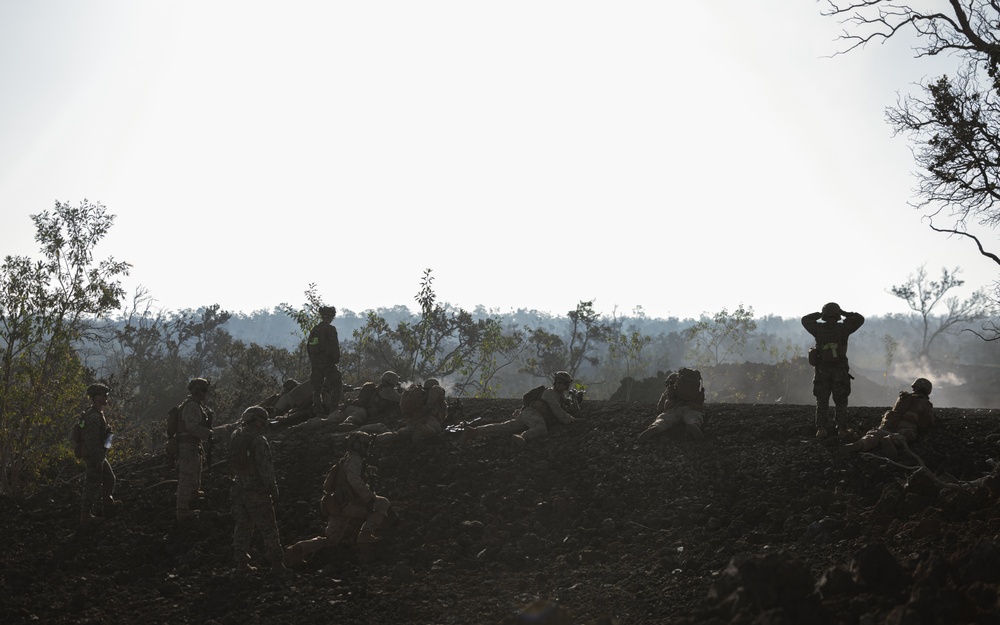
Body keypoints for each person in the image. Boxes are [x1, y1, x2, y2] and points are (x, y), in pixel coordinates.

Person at [284, 432, 392, 566]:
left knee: (331, 540)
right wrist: (370, 498)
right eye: (365, 445)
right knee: (382, 504)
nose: (367, 448)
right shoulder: (354, 459)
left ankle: (299, 549)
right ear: (358, 445)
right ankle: (366, 534)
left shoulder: (346, 460)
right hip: (348, 504)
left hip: (338, 505)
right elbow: (354, 480)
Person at [230, 406, 286, 576]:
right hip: (256, 491)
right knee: (268, 527)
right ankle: (276, 564)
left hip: (238, 488)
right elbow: (266, 470)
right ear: (257, 421)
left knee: (242, 526)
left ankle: (241, 563)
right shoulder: (259, 441)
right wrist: (273, 490)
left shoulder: (235, 436)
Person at [457, 371, 580, 447]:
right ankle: (522, 437)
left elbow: (563, 406)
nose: (561, 385)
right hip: (533, 414)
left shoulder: (558, 395)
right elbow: (557, 411)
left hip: (526, 415)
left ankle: (474, 432)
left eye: (563, 383)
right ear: (556, 383)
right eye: (560, 383)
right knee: (541, 429)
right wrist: (572, 420)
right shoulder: (550, 393)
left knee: (505, 427)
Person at [801, 302, 865, 439]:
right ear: (837, 315)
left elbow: (805, 320)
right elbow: (860, 319)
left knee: (822, 400)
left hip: (822, 370)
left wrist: (819, 314)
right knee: (841, 400)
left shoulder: (817, 328)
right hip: (840, 370)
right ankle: (841, 429)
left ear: (824, 316)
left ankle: (821, 429)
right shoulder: (844, 328)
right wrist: (845, 313)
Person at [842, 378, 935, 461]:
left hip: (890, 422)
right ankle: (891, 440)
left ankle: (861, 444)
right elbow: (928, 421)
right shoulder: (925, 402)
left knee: (875, 434)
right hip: (907, 424)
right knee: (905, 435)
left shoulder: (904, 397)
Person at [174, 377, 216, 522]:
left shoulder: (195, 405)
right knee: (186, 476)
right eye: (203, 390)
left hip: (192, 444)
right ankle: (182, 509)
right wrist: (208, 433)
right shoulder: (191, 405)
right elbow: (192, 427)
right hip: (188, 444)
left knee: (195, 472)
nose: (205, 393)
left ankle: (192, 495)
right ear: (196, 390)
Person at [77, 383, 118, 526]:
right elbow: (91, 440)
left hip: (99, 455)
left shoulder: (98, 413)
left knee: (109, 478)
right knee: (91, 484)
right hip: (95, 456)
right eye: (103, 395)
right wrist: (97, 459)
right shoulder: (93, 416)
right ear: (95, 397)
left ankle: (107, 504)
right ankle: (86, 515)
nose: (106, 397)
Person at [637, 368, 706, 442]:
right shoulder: (691, 385)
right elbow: (700, 401)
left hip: (674, 410)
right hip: (691, 408)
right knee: (694, 416)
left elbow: (659, 408)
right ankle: (693, 424)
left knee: (664, 419)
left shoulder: (671, 388)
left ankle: (656, 426)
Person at [377, 378, 449, 446]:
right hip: (430, 418)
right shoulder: (438, 395)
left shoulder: (421, 395)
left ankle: (378, 438)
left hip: (414, 418)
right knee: (434, 428)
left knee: (400, 433)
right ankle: (423, 430)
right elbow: (439, 414)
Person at [307, 306, 342, 417]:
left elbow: (309, 347)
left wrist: (314, 361)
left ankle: (318, 413)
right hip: (327, 363)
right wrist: (335, 360)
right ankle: (333, 411)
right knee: (337, 384)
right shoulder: (331, 329)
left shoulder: (314, 329)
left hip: (315, 364)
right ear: (331, 317)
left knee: (317, 389)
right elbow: (334, 347)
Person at [339, 370, 403, 428]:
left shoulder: (378, 387)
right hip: (361, 411)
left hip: (353, 407)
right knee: (351, 421)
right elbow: (401, 398)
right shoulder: (388, 391)